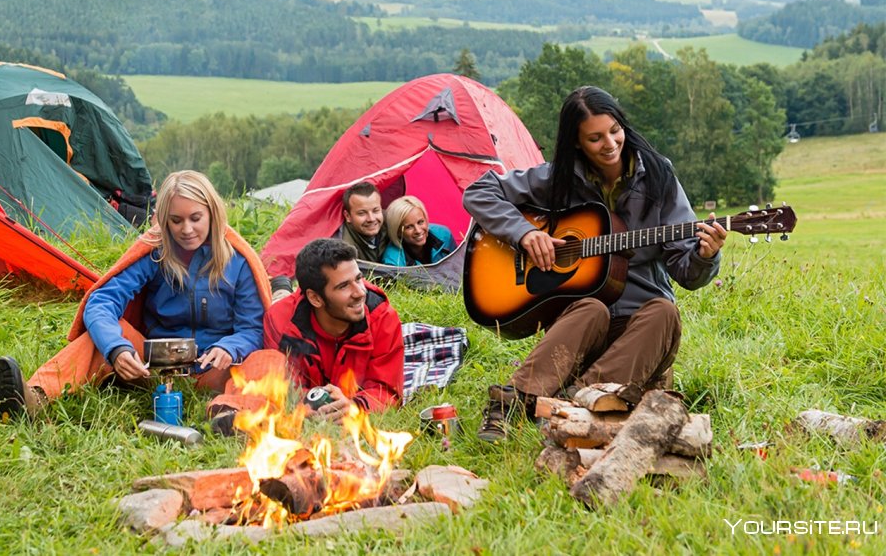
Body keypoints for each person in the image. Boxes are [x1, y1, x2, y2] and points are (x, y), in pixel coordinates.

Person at [462, 86, 727, 442]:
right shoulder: (558, 178)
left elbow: (687, 273)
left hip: (638, 337)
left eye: (615, 130)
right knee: (591, 307)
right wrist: (524, 234)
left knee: (664, 311)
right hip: (581, 328)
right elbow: (479, 192)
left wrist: (704, 257)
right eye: (595, 138)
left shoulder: (659, 177)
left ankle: (577, 403)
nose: (610, 143)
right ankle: (510, 404)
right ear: (576, 143)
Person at [0, 170, 271, 421]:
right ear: (163, 222)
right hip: (153, 366)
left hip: (216, 368)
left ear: (212, 213)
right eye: (175, 220)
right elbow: (101, 302)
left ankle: (230, 413)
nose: (186, 229)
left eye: (196, 218)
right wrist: (117, 349)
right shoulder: (155, 252)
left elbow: (253, 328)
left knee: (268, 360)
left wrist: (230, 347)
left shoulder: (238, 261)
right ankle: (35, 397)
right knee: (107, 335)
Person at [248, 238, 404, 420]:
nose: (360, 292)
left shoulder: (382, 316)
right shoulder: (280, 321)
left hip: (352, 395)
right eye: (344, 286)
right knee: (258, 361)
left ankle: (282, 286)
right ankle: (280, 287)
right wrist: (305, 407)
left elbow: (387, 390)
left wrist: (354, 406)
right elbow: (282, 385)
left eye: (359, 278)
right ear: (315, 298)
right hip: (294, 311)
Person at [381, 195, 456, 267]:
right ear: (398, 232)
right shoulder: (393, 262)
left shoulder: (444, 235)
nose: (418, 230)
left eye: (420, 222)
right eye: (409, 227)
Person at [338, 181, 388, 263]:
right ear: (348, 216)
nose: (371, 219)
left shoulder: (393, 224)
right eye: (362, 213)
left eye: (376, 211)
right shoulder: (342, 248)